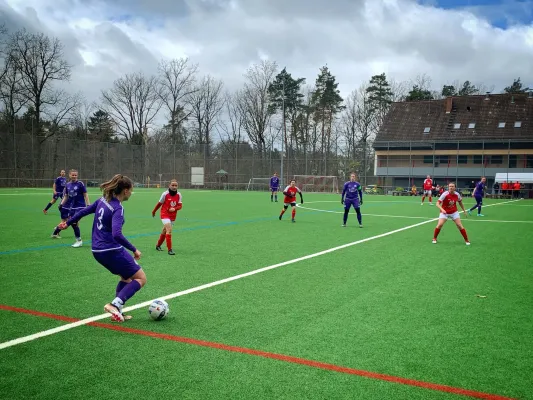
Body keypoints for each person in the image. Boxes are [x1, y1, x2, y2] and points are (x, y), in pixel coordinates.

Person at [58, 174, 145, 322]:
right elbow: (116, 234)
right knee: (141, 278)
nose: (131, 193)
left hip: (97, 251)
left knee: (126, 277)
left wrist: (67, 223)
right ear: (125, 190)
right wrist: (134, 249)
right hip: (111, 250)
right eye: (131, 190)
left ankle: (118, 312)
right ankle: (115, 305)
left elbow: (83, 211)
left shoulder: (102, 201)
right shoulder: (118, 208)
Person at [51, 169, 90, 247]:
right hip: (72, 207)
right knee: (71, 222)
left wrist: (88, 205)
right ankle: (56, 231)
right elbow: (66, 196)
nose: (74, 176)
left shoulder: (80, 184)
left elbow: (85, 195)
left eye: (75, 175)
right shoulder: (68, 185)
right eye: (73, 175)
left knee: (74, 222)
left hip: (80, 207)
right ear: (69, 175)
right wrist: (61, 204)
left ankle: (79, 241)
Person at [152, 179, 182, 256]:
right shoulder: (165, 194)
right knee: (169, 230)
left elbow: (180, 206)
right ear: (169, 185)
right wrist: (154, 211)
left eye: (176, 185)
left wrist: (174, 208)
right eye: (173, 185)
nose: (174, 187)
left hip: (172, 216)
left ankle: (158, 245)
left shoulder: (179, 195)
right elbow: (159, 204)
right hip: (164, 214)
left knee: (164, 230)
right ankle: (170, 250)